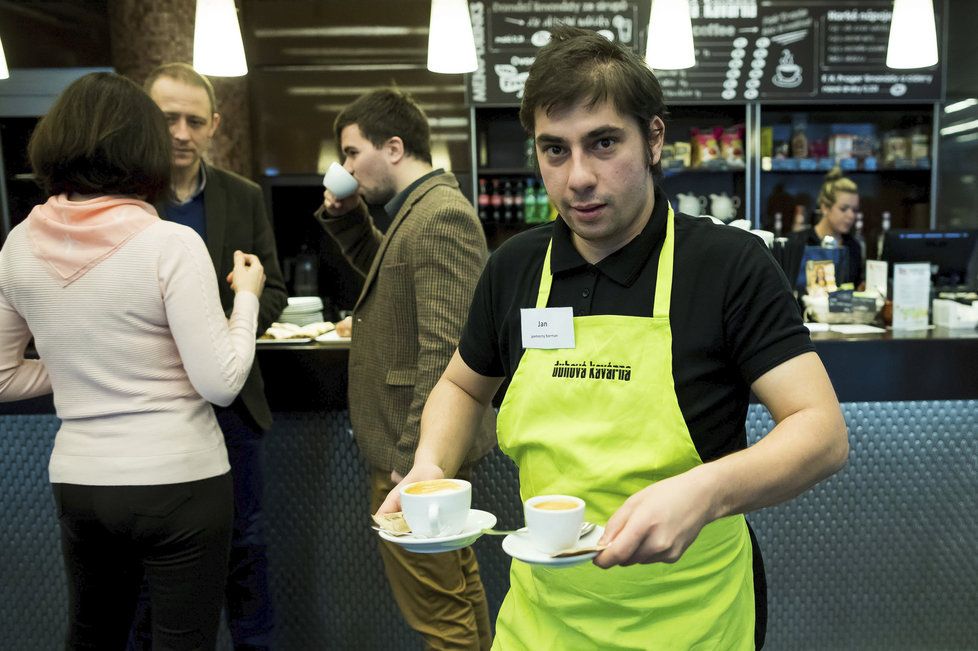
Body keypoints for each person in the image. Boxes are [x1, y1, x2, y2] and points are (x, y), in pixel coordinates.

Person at [379, 26, 849, 649]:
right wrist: (431, 464)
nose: (577, 177)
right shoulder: (515, 267)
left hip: (694, 616)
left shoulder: (727, 265)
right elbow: (464, 386)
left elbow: (821, 432)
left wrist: (706, 492)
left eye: (603, 144)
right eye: (554, 150)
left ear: (654, 138)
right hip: (545, 619)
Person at [0, 72, 266, 649]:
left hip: (80, 480)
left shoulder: (18, 244)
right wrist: (246, 296)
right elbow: (220, 381)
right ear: (143, 147)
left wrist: (83, 366)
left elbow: (3, 377)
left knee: (93, 636)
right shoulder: (168, 243)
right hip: (180, 480)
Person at [313, 88, 495, 650]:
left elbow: (446, 352)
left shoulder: (438, 216)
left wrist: (418, 460)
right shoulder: (418, 212)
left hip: (409, 454)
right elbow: (389, 280)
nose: (343, 168)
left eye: (350, 153)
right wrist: (348, 221)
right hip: (415, 453)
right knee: (455, 595)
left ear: (393, 147)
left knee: (439, 616)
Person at [125, 63, 287, 650]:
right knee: (153, 571)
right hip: (153, 414)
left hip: (234, 410)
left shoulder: (243, 197)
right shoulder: (121, 202)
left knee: (247, 553)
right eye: (169, 118)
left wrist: (220, 331)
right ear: (147, 118)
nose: (181, 133)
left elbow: (272, 290)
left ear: (215, 125)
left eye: (195, 120)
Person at [785, 167, 863, 292]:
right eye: (844, 209)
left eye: (854, 210)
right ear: (825, 207)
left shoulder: (853, 247)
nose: (851, 216)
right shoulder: (797, 242)